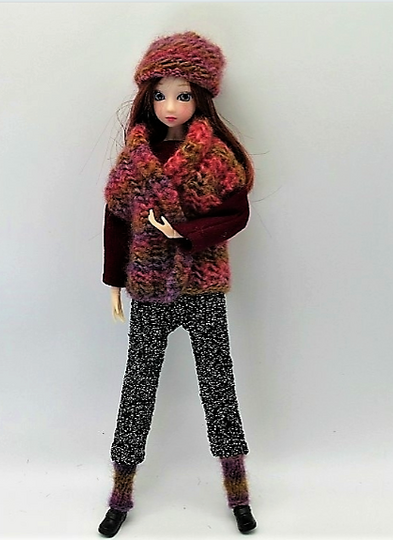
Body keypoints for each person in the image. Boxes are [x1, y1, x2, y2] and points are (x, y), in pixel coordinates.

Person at [99, 31, 256, 537]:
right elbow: (115, 221)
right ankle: (121, 492)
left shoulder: (216, 158)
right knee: (137, 389)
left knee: (219, 387)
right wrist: (113, 281)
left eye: (183, 95)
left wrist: (186, 234)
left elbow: (235, 214)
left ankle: (238, 491)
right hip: (147, 290)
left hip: (203, 287)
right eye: (161, 95)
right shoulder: (134, 161)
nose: (170, 106)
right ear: (147, 98)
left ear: (201, 98)